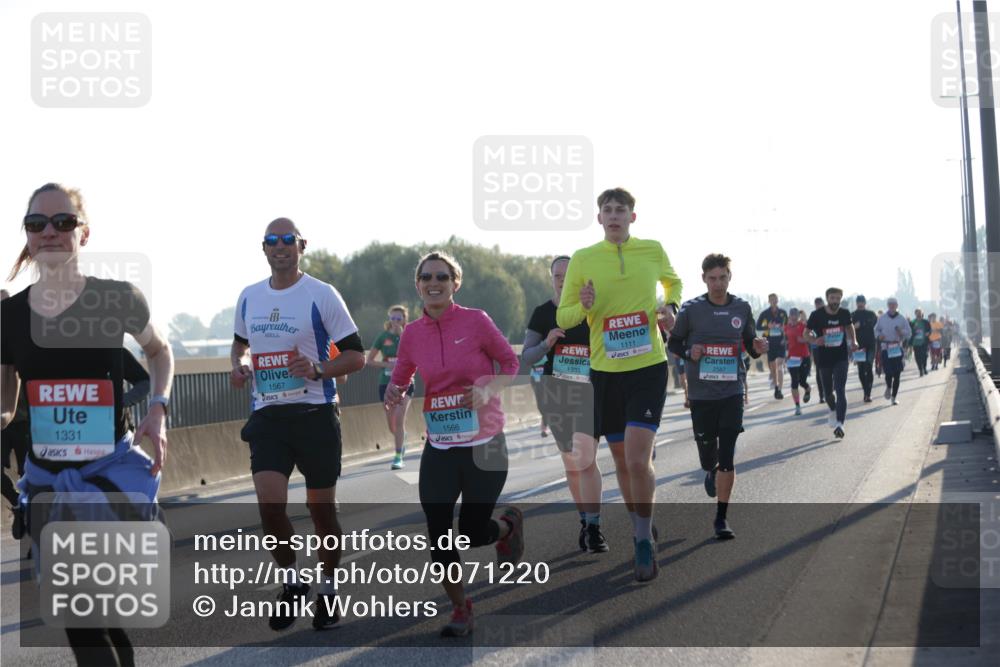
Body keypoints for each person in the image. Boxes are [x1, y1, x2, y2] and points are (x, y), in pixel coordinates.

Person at [1, 183, 174, 666]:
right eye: (36, 224)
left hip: (107, 477)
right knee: (84, 613)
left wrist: (157, 410)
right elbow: (5, 406)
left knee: (91, 609)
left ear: (84, 233)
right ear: (27, 235)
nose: (49, 232)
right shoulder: (9, 316)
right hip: (48, 483)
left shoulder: (115, 298)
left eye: (63, 222)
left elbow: (160, 351)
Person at [230, 218, 366, 631]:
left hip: (315, 415)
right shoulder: (249, 296)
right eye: (272, 240)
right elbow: (240, 344)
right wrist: (239, 365)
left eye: (288, 239)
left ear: (301, 246)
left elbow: (356, 356)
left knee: (321, 513)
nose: (280, 246)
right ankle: (292, 582)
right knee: (269, 508)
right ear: (264, 248)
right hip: (268, 416)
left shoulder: (321, 294)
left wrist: (319, 368)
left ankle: (328, 589)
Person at [385, 251, 524, 638]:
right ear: (418, 285)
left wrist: (487, 388)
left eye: (442, 277)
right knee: (439, 532)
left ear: (455, 283)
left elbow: (510, 364)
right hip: (441, 446)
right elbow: (402, 375)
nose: (434, 283)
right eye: (426, 277)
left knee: (473, 531)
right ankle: (461, 607)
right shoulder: (412, 334)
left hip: (485, 443)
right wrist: (395, 391)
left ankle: (507, 527)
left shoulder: (476, 321)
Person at [557, 187, 683, 582]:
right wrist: (584, 305)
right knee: (621, 462)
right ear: (599, 218)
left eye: (620, 210)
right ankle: (639, 524)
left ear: (632, 216)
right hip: (605, 373)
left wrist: (670, 307)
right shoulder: (583, 258)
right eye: (607, 210)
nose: (614, 216)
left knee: (637, 459)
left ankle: (643, 540)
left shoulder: (652, 250)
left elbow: (674, 283)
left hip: (648, 367)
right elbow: (564, 317)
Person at [668, 254, 767, 539]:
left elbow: (750, 345)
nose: (718, 284)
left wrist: (758, 346)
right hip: (701, 394)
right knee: (707, 452)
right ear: (704, 279)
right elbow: (674, 343)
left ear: (729, 277)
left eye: (723, 277)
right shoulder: (691, 309)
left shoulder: (742, 307)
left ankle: (721, 518)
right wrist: (690, 352)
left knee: (728, 454)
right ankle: (709, 470)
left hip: (732, 390)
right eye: (712, 278)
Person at [522, 256, 607, 553]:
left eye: (567, 275)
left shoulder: (593, 309)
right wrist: (546, 343)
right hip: (556, 394)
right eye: (557, 275)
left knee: (586, 459)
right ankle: (584, 519)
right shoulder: (543, 313)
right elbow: (527, 357)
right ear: (551, 279)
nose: (562, 280)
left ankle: (594, 527)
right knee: (571, 464)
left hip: (589, 392)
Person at [806, 288, 858, 439]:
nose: (835, 301)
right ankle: (833, 409)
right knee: (828, 393)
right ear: (827, 298)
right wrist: (815, 340)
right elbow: (806, 333)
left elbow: (849, 326)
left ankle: (840, 424)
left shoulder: (844, 313)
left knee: (840, 389)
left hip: (841, 357)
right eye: (832, 298)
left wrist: (854, 340)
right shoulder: (817, 315)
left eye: (838, 298)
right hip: (824, 358)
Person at [367, 305, 414, 469]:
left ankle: (398, 456)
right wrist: (387, 364)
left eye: (398, 318)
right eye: (392, 318)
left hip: (406, 383)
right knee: (392, 424)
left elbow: (416, 356)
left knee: (399, 418)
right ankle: (402, 437)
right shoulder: (383, 337)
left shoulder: (409, 334)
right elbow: (369, 360)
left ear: (404, 320)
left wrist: (402, 336)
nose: (395, 321)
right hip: (385, 382)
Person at [875, 298, 912, 405]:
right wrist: (879, 336)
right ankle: (888, 386)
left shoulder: (902, 319)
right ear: (887, 305)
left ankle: (894, 397)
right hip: (886, 347)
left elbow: (909, 333)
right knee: (888, 372)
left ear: (897, 305)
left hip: (897, 347)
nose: (892, 306)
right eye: (890, 304)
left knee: (897, 374)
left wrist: (901, 331)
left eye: (894, 304)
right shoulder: (882, 318)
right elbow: (875, 330)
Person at [756, 293, 788, 400]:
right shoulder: (765, 313)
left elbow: (788, 327)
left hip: (781, 343)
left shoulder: (783, 313)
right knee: (773, 368)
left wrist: (784, 333)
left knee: (779, 365)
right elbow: (757, 326)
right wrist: (767, 327)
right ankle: (776, 387)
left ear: (777, 300)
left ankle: (780, 390)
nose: (774, 301)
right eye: (772, 299)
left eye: (775, 299)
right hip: (770, 343)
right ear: (769, 301)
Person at [784, 308, 812, 415]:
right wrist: (785, 354)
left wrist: (804, 339)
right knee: (794, 382)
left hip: (804, 357)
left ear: (798, 316)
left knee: (802, 381)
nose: (794, 317)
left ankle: (807, 389)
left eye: (795, 315)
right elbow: (785, 341)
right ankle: (797, 406)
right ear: (789, 316)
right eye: (792, 315)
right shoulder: (786, 327)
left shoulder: (804, 326)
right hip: (792, 358)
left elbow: (813, 336)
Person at [851, 295, 878, 403]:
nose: (860, 303)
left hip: (870, 345)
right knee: (861, 370)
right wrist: (854, 327)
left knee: (868, 366)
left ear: (865, 303)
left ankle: (868, 394)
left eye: (862, 302)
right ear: (856, 303)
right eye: (859, 302)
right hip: (858, 346)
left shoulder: (871, 314)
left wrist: (861, 324)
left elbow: (874, 324)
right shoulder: (852, 315)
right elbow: (848, 328)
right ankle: (865, 391)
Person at [811, 297, 827, 402]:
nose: (818, 306)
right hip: (817, 347)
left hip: (829, 345)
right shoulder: (813, 315)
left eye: (819, 304)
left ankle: (829, 389)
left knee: (830, 369)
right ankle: (821, 394)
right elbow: (808, 330)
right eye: (816, 305)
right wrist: (812, 337)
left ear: (823, 304)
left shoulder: (829, 313)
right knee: (819, 370)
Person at [910, 309, 931, 376]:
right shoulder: (912, 322)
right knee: (917, 357)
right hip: (916, 343)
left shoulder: (925, 322)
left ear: (922, 314)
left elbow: (930, 330)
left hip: (924, 342)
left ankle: (924, 368)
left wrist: (928, 333)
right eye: (917, 313)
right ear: (915, 314)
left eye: (920, 313)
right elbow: (909, 331)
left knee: (924, 356)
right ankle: (920, 369)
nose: (918, 314)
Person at [874, 309, 885, 378]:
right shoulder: (875, 323)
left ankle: (880, 369)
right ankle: (877, 369)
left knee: (881, 356)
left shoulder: (885, 322)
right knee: (876, 356)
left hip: (883, 341)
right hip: (876, 341)